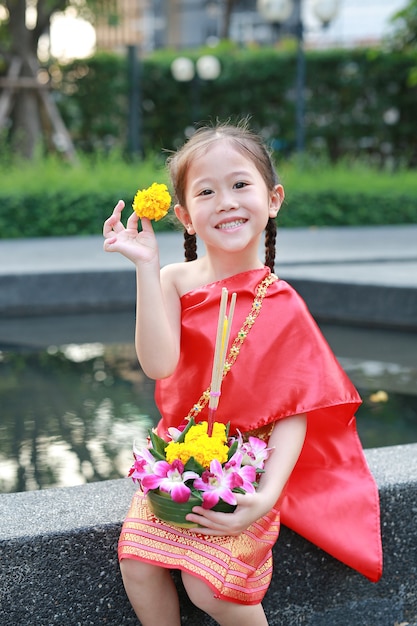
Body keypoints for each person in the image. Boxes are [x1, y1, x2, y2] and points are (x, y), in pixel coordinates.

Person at [103, 120, 382, 626]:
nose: (226, 201)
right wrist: (145, 268)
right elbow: (158, 364)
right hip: (179, 457)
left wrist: (265, 496)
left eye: (240, 184)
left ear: (273, 198)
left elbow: (297, 410)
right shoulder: (173, 281)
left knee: (210, 588)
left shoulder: (283, 304)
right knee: (139, 565)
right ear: (186, 216)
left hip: (246, 466)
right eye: (206, 192)